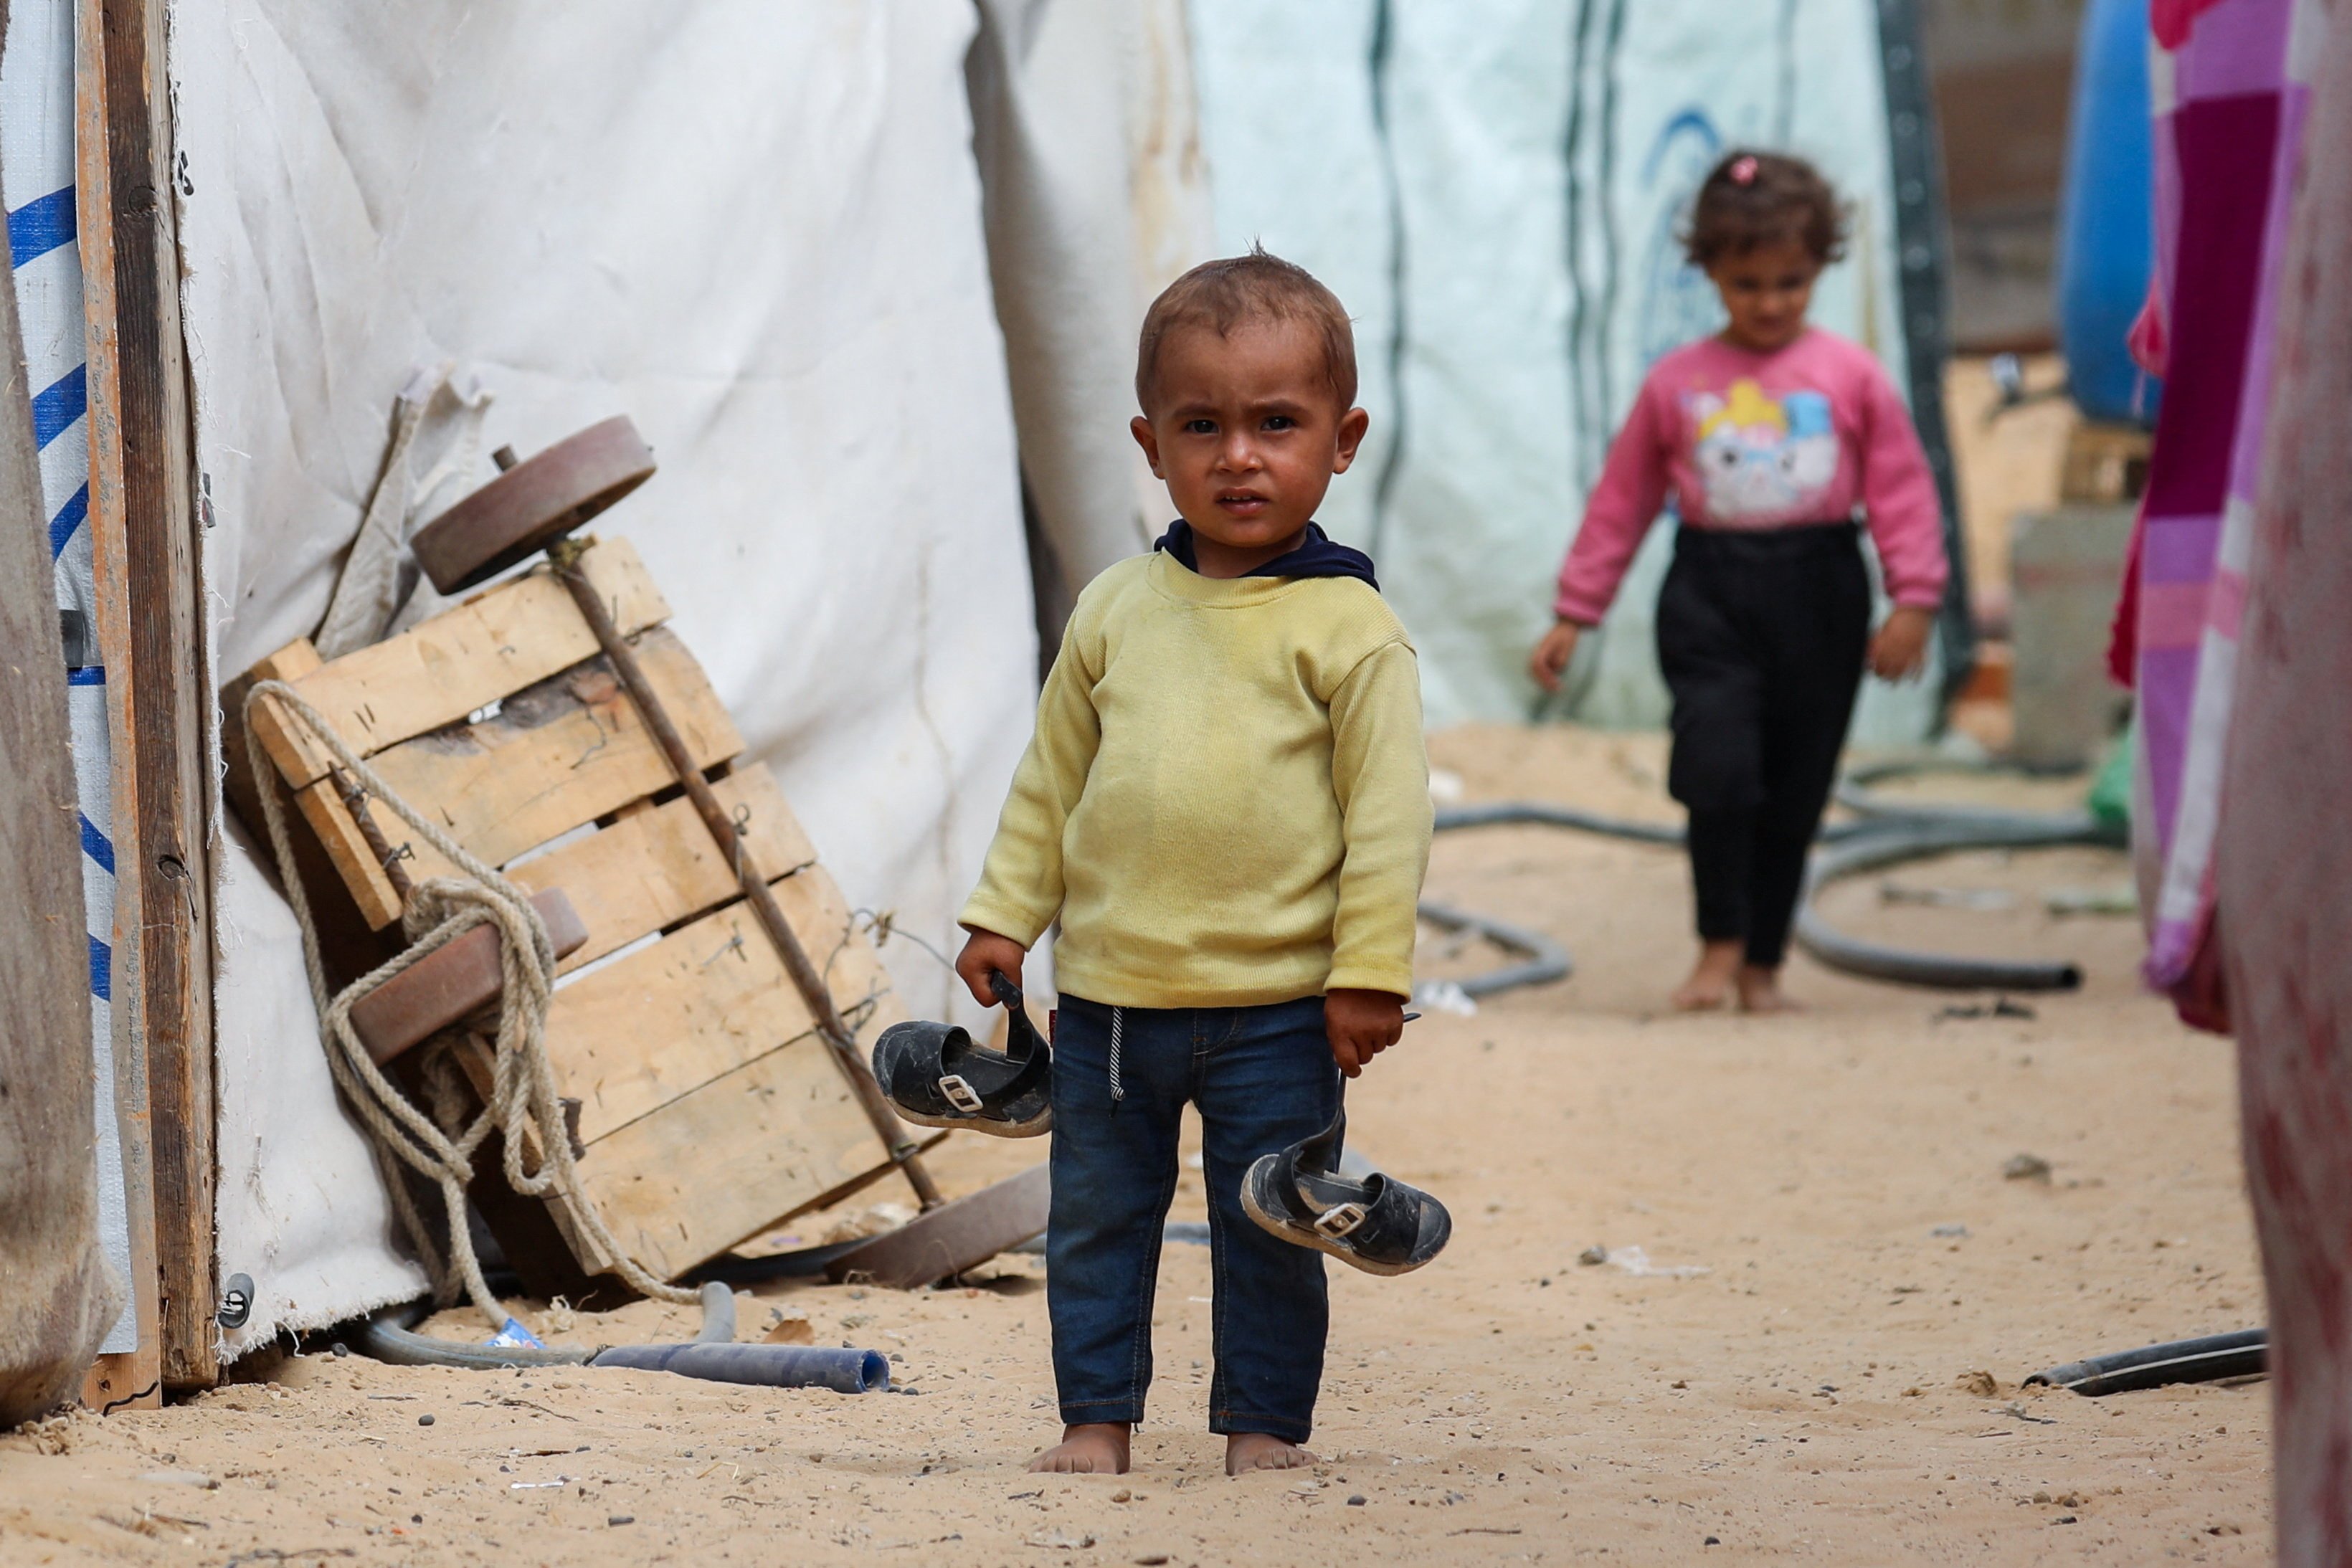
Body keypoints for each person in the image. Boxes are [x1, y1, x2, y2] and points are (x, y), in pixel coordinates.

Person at [953, 248, 1431, 1477]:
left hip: (1279, 1010)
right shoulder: (1114, 608)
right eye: (1201, 425)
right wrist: (1005, 916)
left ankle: (1262, 1432)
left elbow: (1386, 819)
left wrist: (1365, 972)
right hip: (1113, 1006)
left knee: (1269, 1222)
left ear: (1344, 439)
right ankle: (1094, 1423)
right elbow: (1051, 779)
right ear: (1150, 441)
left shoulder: (1350, 629)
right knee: (1096, 1224)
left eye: (1278, 423)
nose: (1238, 455)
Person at [1527, 149, 1948, 1013]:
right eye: (1747, 283)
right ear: (1712, 272)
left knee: (1796, 786)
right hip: (1711, 594)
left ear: (1819, 267)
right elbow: (1624, 500)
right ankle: (1716, 946)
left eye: (1789, 282)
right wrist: (1578, 610)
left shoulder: (1850, 376)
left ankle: (1763, 964)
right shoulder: (1677, 384)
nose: (1769, 302)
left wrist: (1915, 599)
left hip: (1822, 589)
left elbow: (1901, 490)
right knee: (1717, 772)